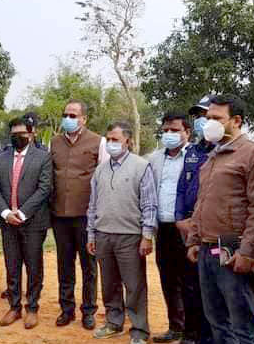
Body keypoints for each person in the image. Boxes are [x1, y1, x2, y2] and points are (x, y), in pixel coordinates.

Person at [185, 94, 254, 344]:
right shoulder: (213, 156)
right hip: (207, 250)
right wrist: (194, 239)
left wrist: (247, 251)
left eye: (215, 118)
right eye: (207, 117)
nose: (208, 123)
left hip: (233, 251)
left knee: (243, 324)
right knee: (216, 322)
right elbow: (202, 202)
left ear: (236, 120)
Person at [87, 122, 156, 344]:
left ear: (127, 141)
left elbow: (149, 204)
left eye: (116, 139)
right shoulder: (100, 169)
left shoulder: (141, 166)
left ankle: (139, 329)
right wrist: (91, 234)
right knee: (109, 284)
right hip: (103, 234)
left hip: (130, 236)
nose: (111, 143)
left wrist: (147, 235)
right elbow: (92, 204)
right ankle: (113, 322)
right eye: (108, 139)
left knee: (134, 285)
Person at [50, 99, 108, 330]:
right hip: (59, 215)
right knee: (64, 265)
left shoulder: (98, 142)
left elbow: (104, 179)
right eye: (66, 114)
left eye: (74, 115)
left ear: (84, 119)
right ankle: (66, 309)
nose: (69, 119)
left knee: (88, 265)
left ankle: (88, 310)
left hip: (86, 217)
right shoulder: (54, 142)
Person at [0, 117, 52, 329]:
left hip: (33, 222)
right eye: (14, 134)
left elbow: (44, 188)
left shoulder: (43, 157)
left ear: (31, 134)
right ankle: (14, 306)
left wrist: (23, 213)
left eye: (22, 134)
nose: (18, 137)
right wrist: (6, 213)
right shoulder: (1, 158)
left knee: (34, 265)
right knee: (12, 265)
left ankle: (33, 307)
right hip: (8, 222)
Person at [146, 113, 191, 343]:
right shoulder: (153, 159)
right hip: (162, 228)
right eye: (165, 130)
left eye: (175, 130)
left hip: (187, 229)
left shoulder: (195, 156)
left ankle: (193, 332)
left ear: (187, 133)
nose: (169, 135)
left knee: (189, 281)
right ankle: (176, 326)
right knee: (168, 278)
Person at [175, 97, 215, 344]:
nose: (202, 120)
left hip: (209, 231)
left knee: (212, 291)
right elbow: (182, 187)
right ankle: (191, 335)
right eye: (199, 116)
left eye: (207, 115)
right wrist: (180, 219)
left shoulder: (222, 150)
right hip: (187, 229)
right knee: (189, 286)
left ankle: (210, 337)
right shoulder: (193, 151)